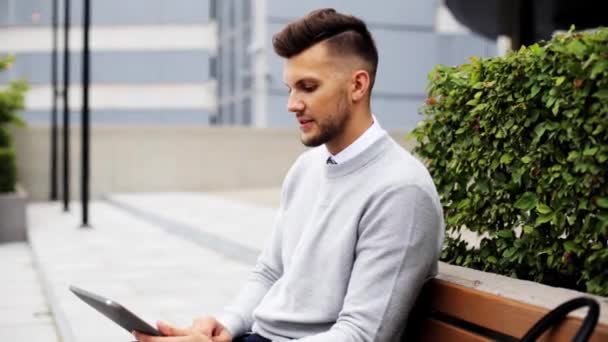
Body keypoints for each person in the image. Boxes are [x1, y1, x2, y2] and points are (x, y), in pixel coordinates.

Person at [134, 8, 444, 342]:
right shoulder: (306, 168)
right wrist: (225, 326)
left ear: (357, 85)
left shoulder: (401, 191)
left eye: (307, 87)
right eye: (290, 88)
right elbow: (270, 272)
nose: (292, 104)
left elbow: (361, 335)